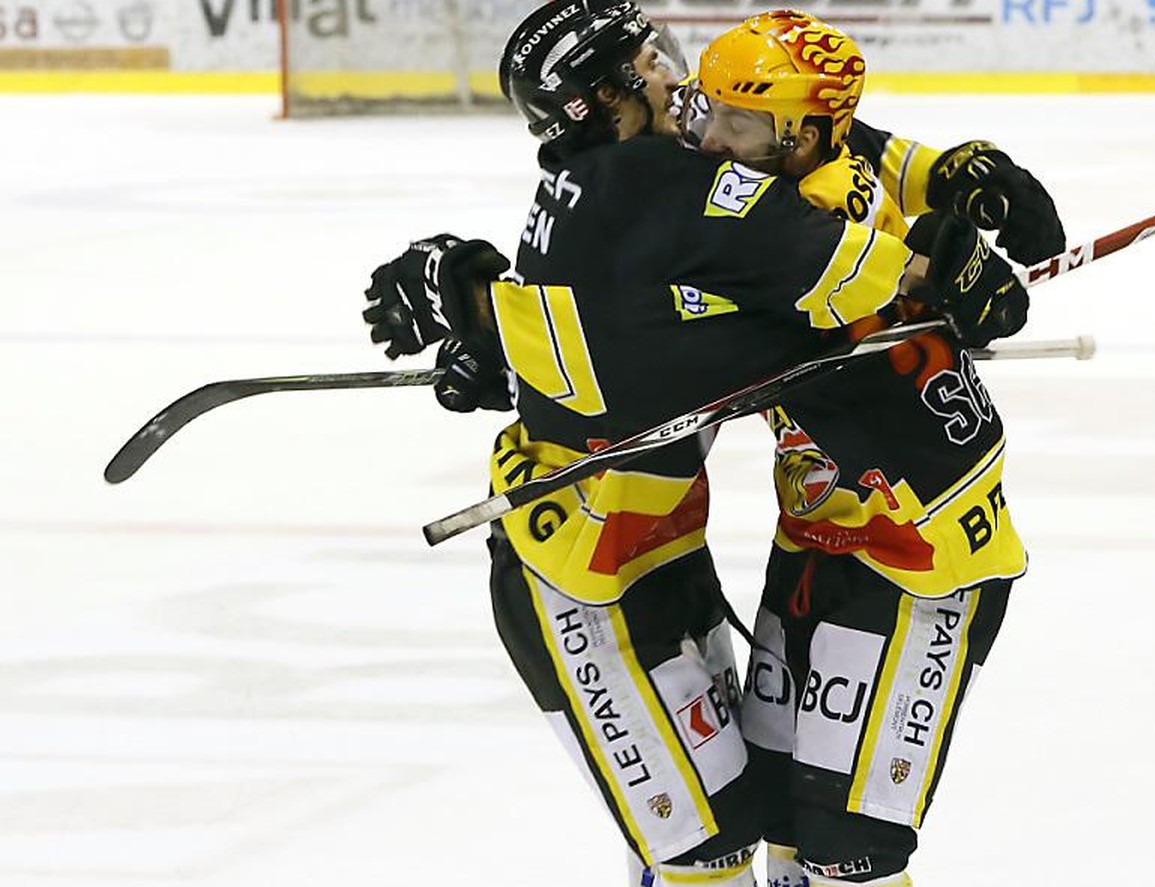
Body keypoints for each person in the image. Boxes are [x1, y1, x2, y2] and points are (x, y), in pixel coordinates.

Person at [358, 3, 1030, 885]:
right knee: (711, 855)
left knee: (775, 836)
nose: (683, 85)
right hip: (585, 578)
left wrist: (483, 311)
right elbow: (805, 255)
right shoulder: (677, 194)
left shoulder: (637, 176)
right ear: (607, 94)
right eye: (652, 61)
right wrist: (940, 269)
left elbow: (818, 157)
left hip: (673, 552)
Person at [669, 11, 1064, 887]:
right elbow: (881, 158)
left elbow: (721, 302)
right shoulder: (806, 163)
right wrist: (951, 189)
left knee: (851, 850)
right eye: (713, 111)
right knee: (775, 814)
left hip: (923, 557)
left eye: (740, 124)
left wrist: (949, 265)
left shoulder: (794, 224)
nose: (711, 138)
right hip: (814, 539)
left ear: (807, 137)